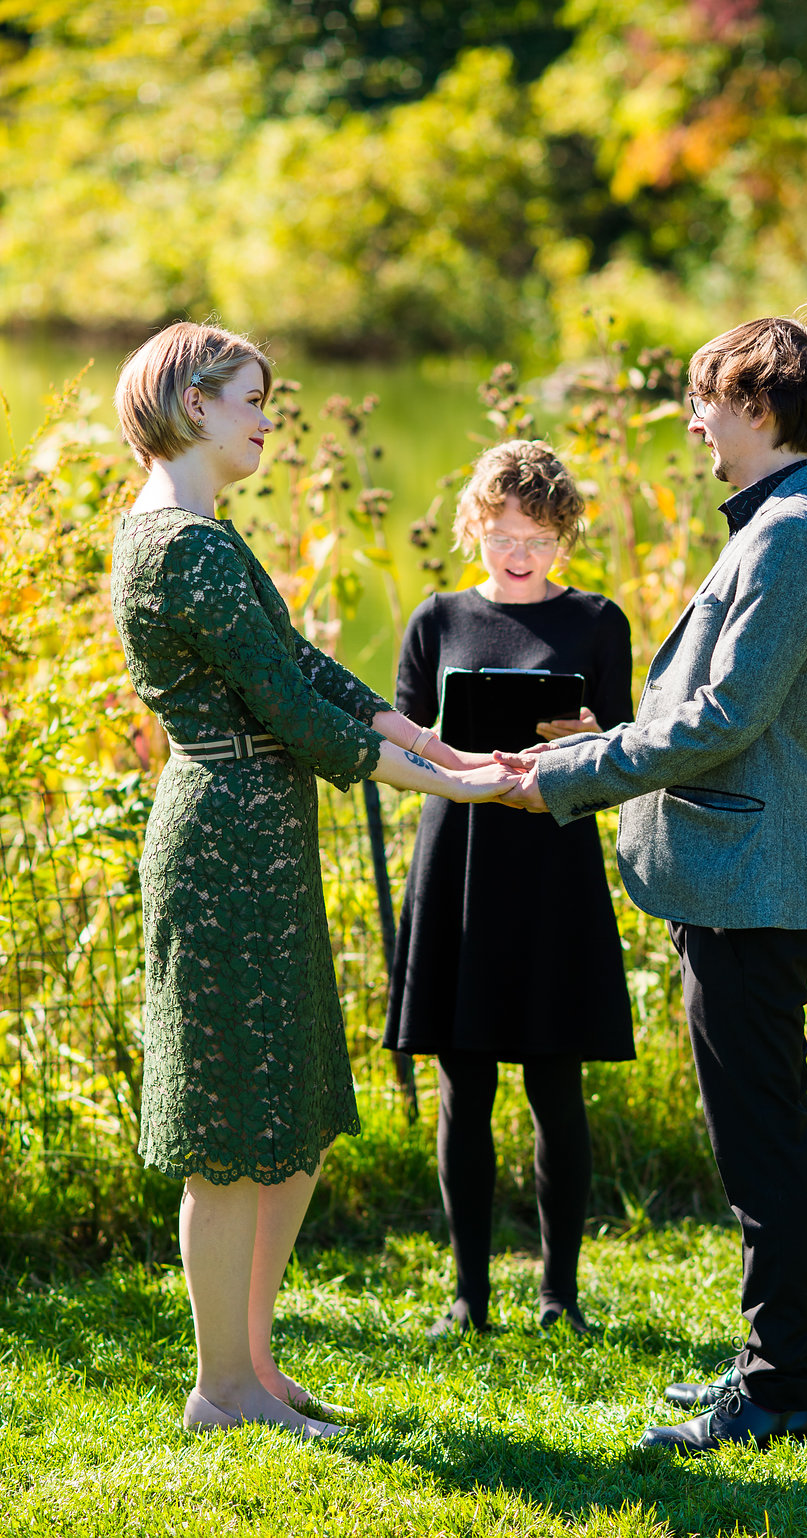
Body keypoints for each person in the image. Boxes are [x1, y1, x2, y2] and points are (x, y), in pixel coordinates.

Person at [110, 321, 518, 1438]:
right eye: (252, 398)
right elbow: (287, 716)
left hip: (259, 830)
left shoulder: (199, 531)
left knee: (286, 1116)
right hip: (225, 839)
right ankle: (220, 1389)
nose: (267, 419)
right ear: (192, 402)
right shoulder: (178, 544)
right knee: (233, 1126)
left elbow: (298, 666)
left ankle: (253, 1365)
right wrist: (453, 789)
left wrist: (427, 740)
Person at [497, 318, 807, 1452]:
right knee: (762, 1136)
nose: (691, 419)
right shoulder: (774, 523)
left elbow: (723, 720)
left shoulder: (794, 532)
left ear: (759, 406)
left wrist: (564, 772)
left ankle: (776, 1390)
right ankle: (775, 1364)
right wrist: (611, 734)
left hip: (757, 882)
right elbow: (708, 712)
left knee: (761, 1144)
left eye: (703, 399)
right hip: (737, 878)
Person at [383, 440, 635, 1336]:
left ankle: (558, 1294)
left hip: (553, 865)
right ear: (473, 529)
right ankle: (468, 1294)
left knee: (555, 1083)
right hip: (457, 862)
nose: (517, 550)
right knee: (465, 1082)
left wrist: (589, 733)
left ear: (564, 533)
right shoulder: (435, 617)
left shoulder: (599, 622)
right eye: (499, 532)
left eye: (535, 532)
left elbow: (624, 750)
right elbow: (407, 737)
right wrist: (445, 746)